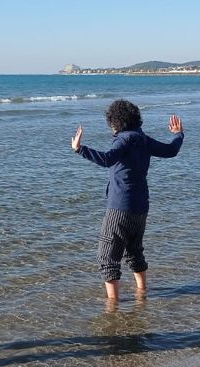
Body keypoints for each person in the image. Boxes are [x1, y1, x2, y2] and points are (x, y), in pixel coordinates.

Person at [71, 99, 184, 300]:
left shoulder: (123, 139)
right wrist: (179, 134)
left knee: (107, 256)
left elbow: (107, 159)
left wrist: (80, 149)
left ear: (116, 122)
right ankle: (142, 292)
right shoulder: (143, 138)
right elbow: (171, 151)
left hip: (120, 207)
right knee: (134, 251)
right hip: (140, 206)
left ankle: (113, 304)